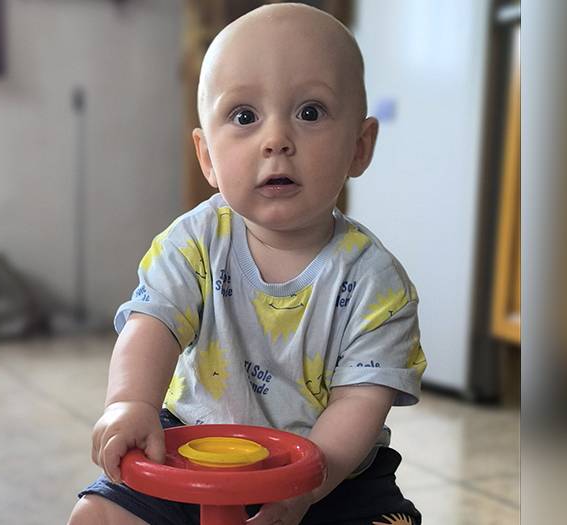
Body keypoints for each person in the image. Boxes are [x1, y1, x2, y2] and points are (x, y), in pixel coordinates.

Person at [68, 3, 427, 524]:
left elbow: (360, 404)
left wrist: (303, 491)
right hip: (194, 444)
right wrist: (130, 402)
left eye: (310, 112)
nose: (276, 140)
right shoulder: (193, 244)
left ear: (360, 146)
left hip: (330, 474)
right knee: (96, 516)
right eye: (244, 117)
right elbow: (152, 326)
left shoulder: (378, 286)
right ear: (207, 157)